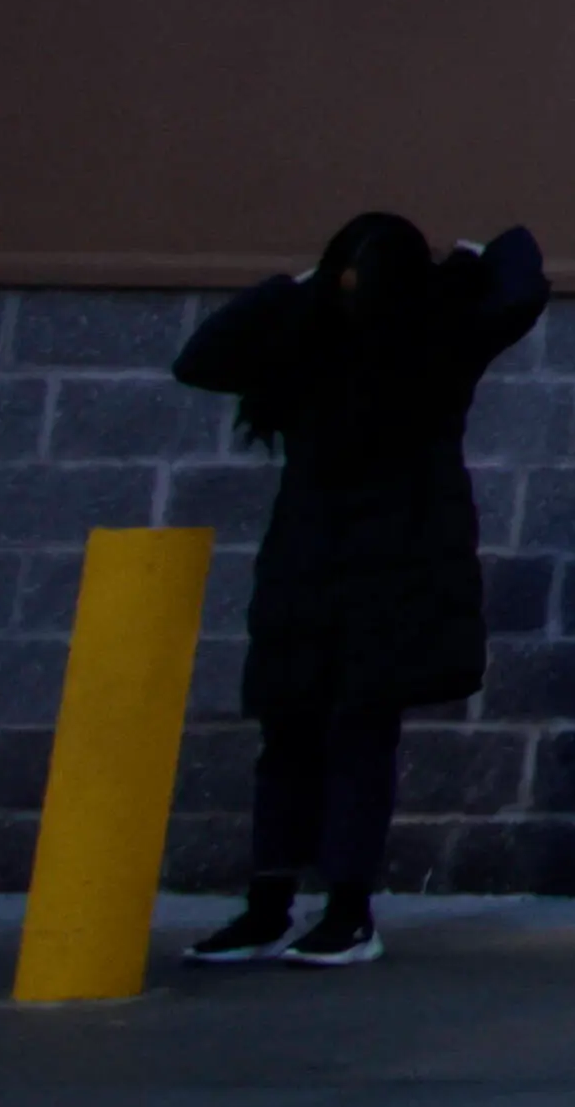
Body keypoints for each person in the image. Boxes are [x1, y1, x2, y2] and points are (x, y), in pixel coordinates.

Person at [166, 209, 550, 966]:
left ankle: (340, 909)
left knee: (350, 733)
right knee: (298, 731)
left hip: (385, 564)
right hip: (323, 561)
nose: (351, 293)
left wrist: (303, 285)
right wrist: (464, 259)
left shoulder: (426, 344)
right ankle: (279, 904)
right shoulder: (324, 342)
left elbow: (518, 283)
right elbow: (200, 357)